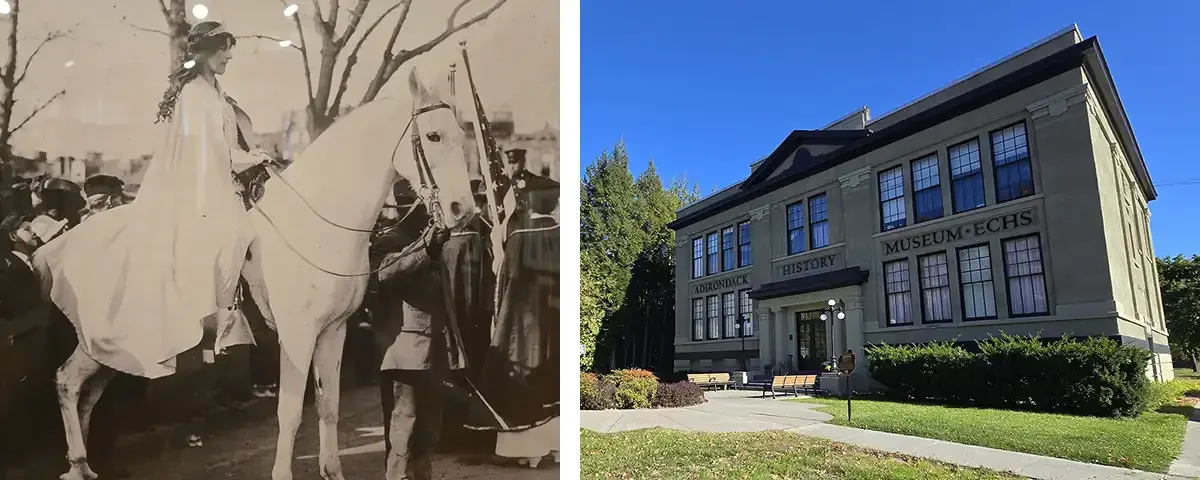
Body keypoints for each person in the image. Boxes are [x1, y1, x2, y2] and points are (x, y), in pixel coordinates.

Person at [32, 21, 268, 379]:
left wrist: (253, 155)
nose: (230, 56)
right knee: (234, 233)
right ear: (207, 52)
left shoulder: (216, 92)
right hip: (198, 185)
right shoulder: (195, 94)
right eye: (225, 50)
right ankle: (223, 316)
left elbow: (227, 146)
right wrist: (252, 159)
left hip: (218, 181)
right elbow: (211, 152)